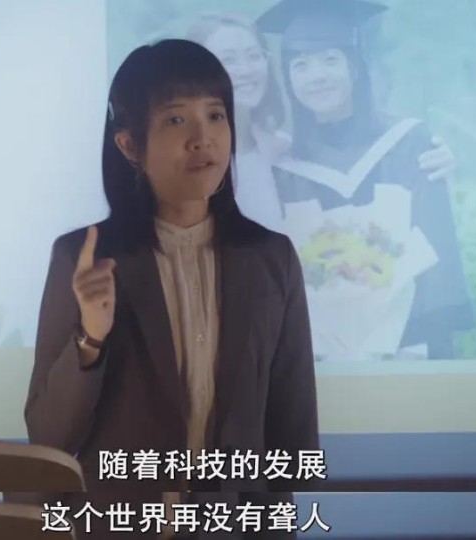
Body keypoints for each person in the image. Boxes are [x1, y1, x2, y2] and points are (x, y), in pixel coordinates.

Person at [22, 39, 320, 538]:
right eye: (176, 119)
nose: (204, 139)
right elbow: (49, 436)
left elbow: (291, 435)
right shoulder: (84, 258)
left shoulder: (272, 258)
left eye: (216, 115)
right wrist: (90, 338)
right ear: (129, 145)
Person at [257, 0, 474, 359]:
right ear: (289, 78)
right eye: (301, 65)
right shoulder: (284, 166)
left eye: (330, 60)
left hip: (408, 346)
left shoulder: (408, 142)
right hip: (320, 355)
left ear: (354, 67)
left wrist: (419, 342)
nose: (316, 76)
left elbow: (436, 250)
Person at [187, 11, 457, 233]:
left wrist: (441, 164)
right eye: (228, 59)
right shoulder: (184, 157)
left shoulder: (281, 153)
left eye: (253, 56)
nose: (245, 70)